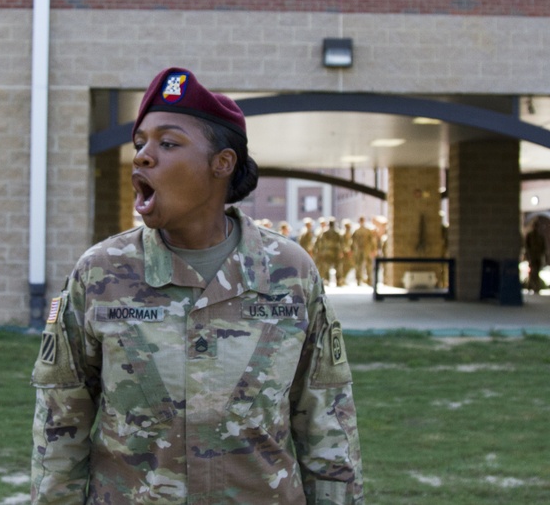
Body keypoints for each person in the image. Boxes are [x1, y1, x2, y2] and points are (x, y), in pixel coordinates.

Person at [31, 68, 364, 504]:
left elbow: (327, 422)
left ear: (221, 164)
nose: (143, 157)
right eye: (141, 144)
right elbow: (60, 428)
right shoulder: (101, 273)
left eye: (167, 143)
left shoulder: (289, 271)